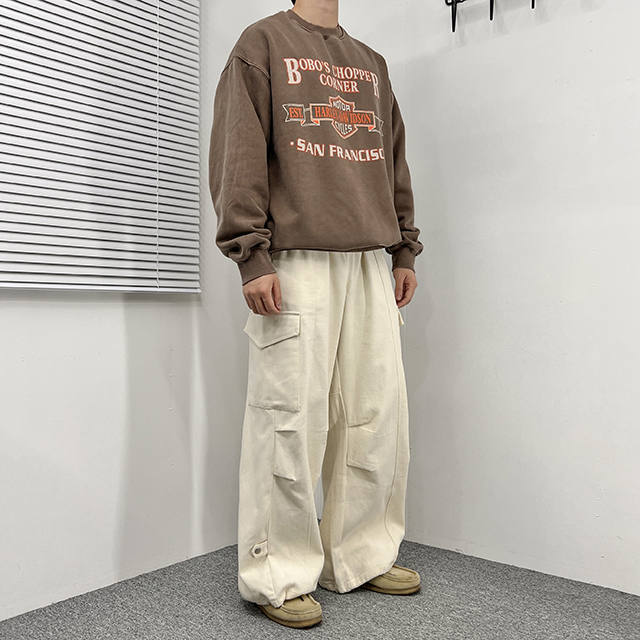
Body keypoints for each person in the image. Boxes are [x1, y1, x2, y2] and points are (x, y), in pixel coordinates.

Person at [208, 0, 424, 629]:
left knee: (374, 415)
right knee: (289, 417)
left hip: (369, 260)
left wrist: (404, 247)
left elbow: (393, 159)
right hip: (295, 256)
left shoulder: (371, 63)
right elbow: (238, 152)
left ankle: (361, 553)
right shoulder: (261, 44)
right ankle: (277, 572)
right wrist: (251, 254)